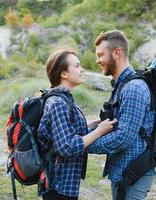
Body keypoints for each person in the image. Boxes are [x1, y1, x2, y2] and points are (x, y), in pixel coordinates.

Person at [37, 49, 117, 200]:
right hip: (59, 186)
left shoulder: (63, 99)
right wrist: (98, 132)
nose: (82, 69)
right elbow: (66, 146)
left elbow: (65, 132)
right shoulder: (58, 103)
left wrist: (94, 125)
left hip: (64, 184)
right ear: (64, 74)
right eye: (77, 66)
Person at [86, 30, 155, 200]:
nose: (97, 60)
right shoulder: (121, 85)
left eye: (101, 54)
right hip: (123, 171)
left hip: (134, 173)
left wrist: (81, 145)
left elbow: (123, 137)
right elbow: (114, 125)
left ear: (117, 53)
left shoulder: (133, 89)